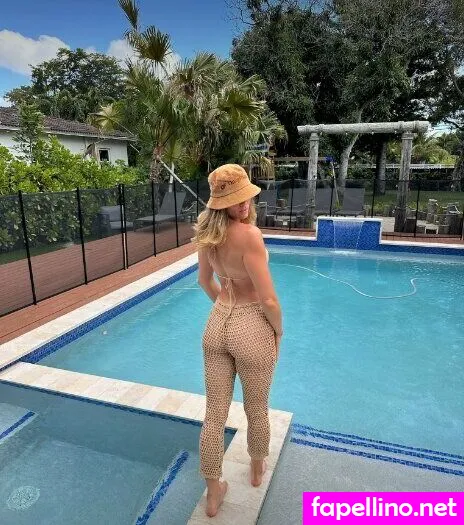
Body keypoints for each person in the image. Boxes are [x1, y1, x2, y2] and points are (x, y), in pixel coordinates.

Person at [193, 164, 283, 517]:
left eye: (245, 196)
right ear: (222, 202)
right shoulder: (250, 235)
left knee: (214, 416)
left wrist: (225, 308)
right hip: (252, 327)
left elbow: (205, 281)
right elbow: (268, 300)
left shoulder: (206, 232)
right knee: (256, 408)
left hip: (216, 325)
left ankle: (214, 491)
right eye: (236, 199)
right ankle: (257, 469)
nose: (244, 203)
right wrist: (278, 331)